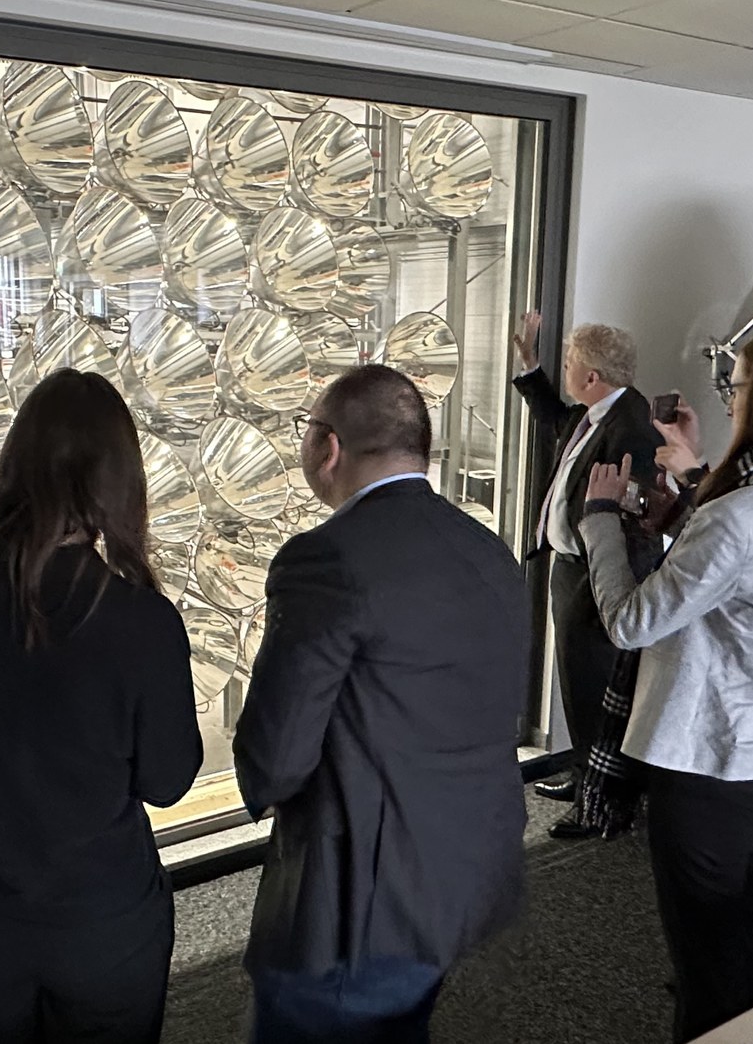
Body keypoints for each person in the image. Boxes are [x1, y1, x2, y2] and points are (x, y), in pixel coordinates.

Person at [576, 321, 753, 1042]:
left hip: (717, 768)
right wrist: (690, 475)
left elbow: (631, 621)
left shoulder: (741, 513)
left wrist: (600, 526)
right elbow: (742, 565)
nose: (731, 397)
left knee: (709, 963)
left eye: (737, 386)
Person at [0, 369, 203, 1044]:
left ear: (16, 464)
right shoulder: (140, 619)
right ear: (120, 482)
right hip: (101, 919)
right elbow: (169, 780)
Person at [235, 364, 531, 1043]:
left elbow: (277, 756)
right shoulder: (488, 551)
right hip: (460, 872)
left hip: (358, 901)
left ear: (328, 447)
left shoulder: (325, 560)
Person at [511, 312, 663, 836]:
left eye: (570, 362)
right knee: (577, 681)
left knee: (594, 684)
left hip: (598, 575)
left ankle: (602, 801)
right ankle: (584, 777)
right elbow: (555, 421)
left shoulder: (632, 428)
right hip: (571, 568)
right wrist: (530, 366)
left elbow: (636, 516)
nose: (567, 369)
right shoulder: (595, 412)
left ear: (592, 377)